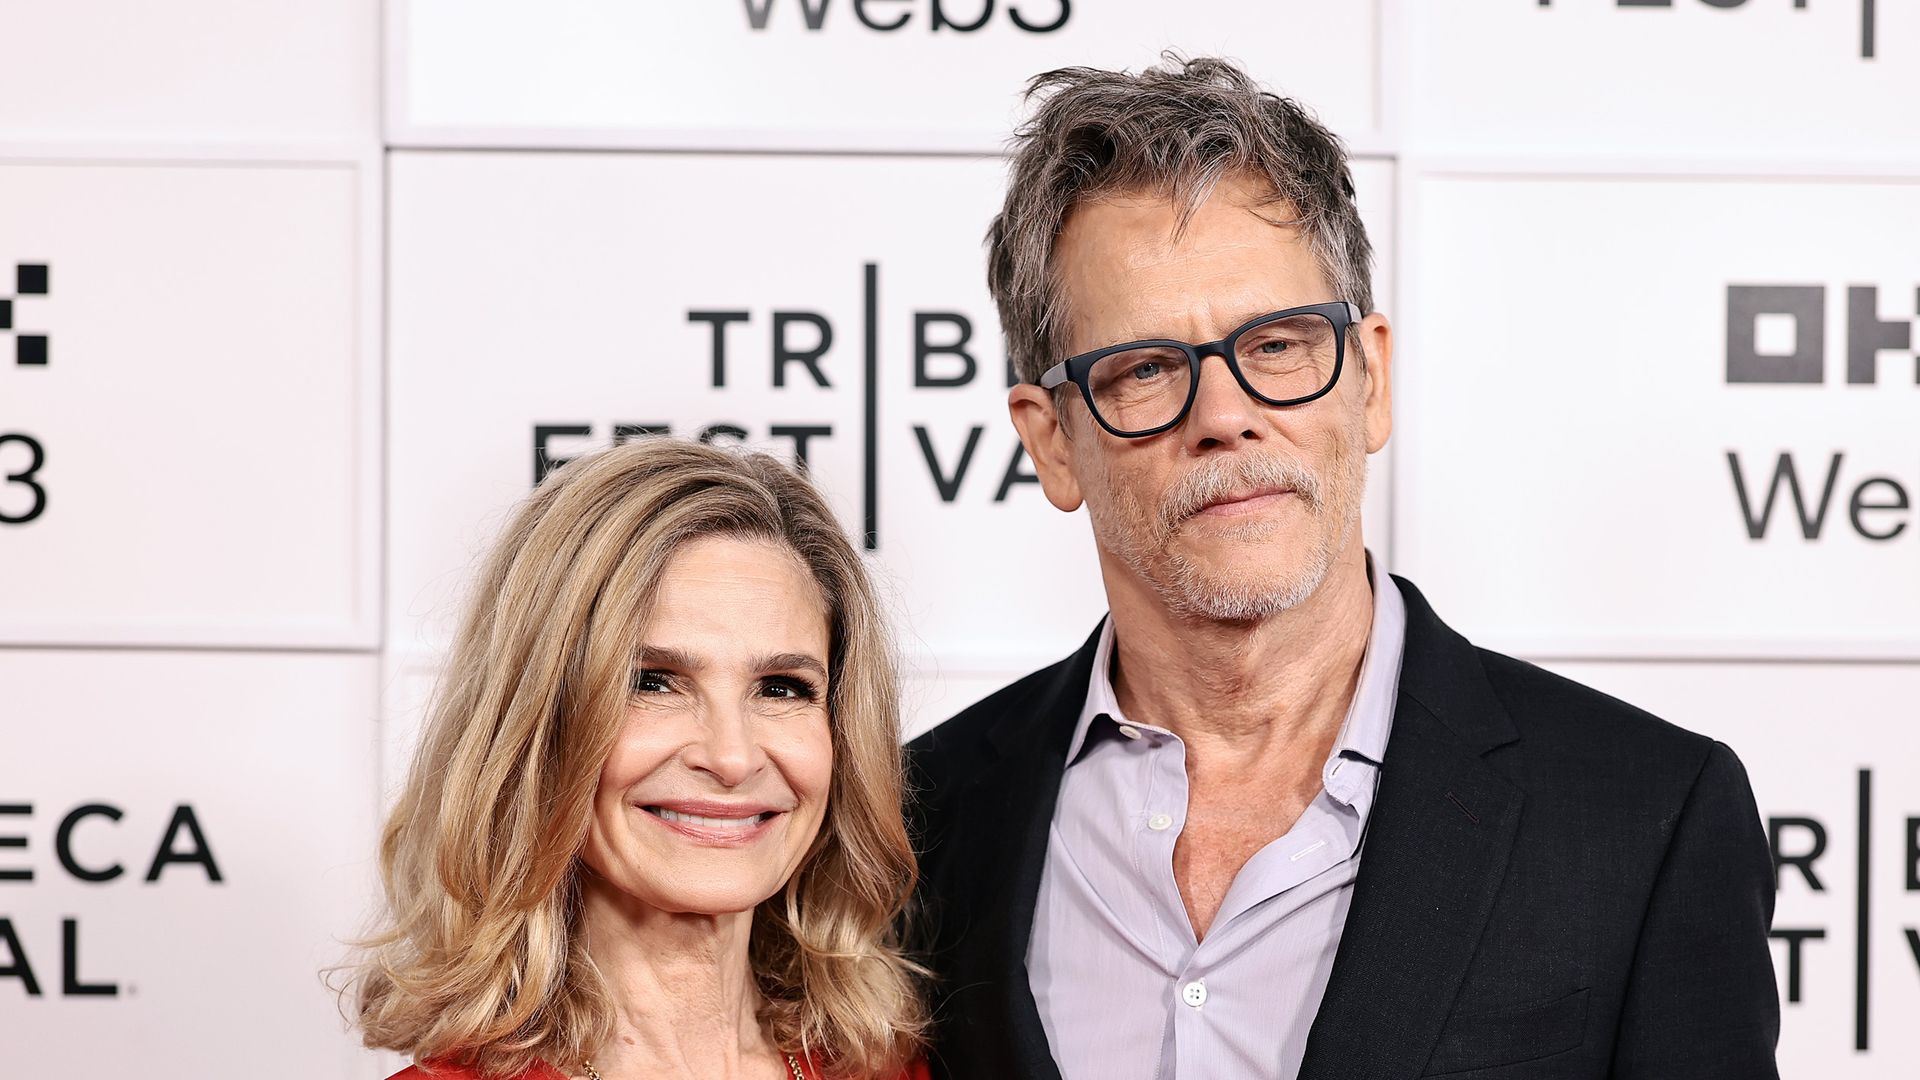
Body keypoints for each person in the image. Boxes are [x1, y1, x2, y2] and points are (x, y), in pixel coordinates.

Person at [905, 57, 1779, 1080]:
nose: (1224, 415)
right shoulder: (914, 828)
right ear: (1051, 441)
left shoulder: (1644, 818)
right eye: (1144, 368)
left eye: (1278, 346)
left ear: (1371, 379)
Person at [344, 440, 929, 1080]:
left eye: (781, 688)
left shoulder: (890, 1071)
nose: (732, 757)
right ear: (537, 726)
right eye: (652, 682)